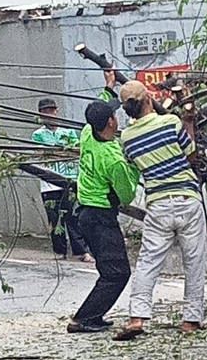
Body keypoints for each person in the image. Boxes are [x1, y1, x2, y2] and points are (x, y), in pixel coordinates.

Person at [113, 80, 207, 341]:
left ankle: (137, 317)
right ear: (147, 100)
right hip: (187, 199)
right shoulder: (171, 123)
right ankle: (191, 320)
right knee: (194, 261)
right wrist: (189, 120)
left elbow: (133, 163)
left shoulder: (127, 138)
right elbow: (191, 154)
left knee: (148, 262)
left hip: (158, 205)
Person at [67, 70, 140, 334]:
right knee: (117, 273)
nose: (117, 117)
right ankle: (82, 319)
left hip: (87, 214)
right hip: (100, 218)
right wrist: (135, 166)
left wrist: (108, 88)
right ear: (111, 122)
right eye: (114, 115)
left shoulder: (88, 133)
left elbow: (98, 108)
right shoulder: (113, 159)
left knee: (111, 270)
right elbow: (127, 195)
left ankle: (92, 316)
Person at [33, 98, 92, 263]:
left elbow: (75, 151)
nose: (50, 114)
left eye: (52, 110)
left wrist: (58, 152)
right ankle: (60, 251)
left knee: (73, 217)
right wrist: (61, 152)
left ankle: (81, 251)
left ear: (57, 111)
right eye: (45, 111)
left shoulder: (68, 132)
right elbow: (41, 154)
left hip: (69, 180)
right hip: (49, 183)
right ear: (40, 114)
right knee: (54, 218)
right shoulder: (38, 135)